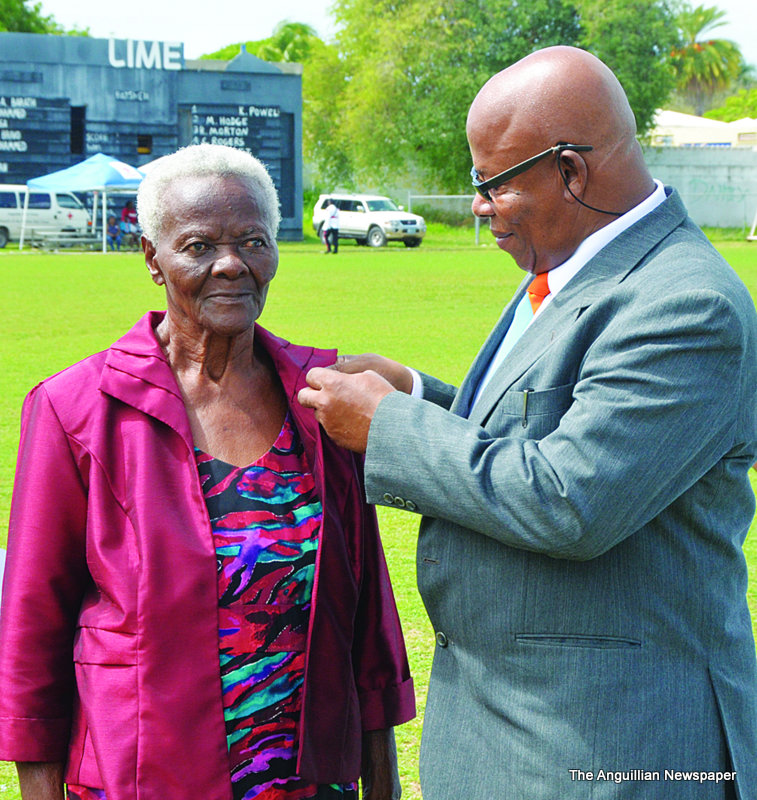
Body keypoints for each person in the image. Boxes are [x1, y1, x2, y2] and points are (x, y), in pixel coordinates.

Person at [298, 46, 757, 799]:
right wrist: (415, 392)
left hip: (612, 746)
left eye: (492, 184)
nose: (479, 205)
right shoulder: (575, 259)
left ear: (570, 171)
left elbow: (570, 498)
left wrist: (389, 427)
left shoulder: (685, 305)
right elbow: (539, 432)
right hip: (518, 733)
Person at [0, 144, 414, 800]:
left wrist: (382, 783)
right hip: (142, 774)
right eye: (198, 245)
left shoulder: (323, 401)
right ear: (151, 258)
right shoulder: (75, 409)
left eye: (252, 240)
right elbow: (33, 623)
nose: (231, 265)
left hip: (305, 779)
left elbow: (366, 615)